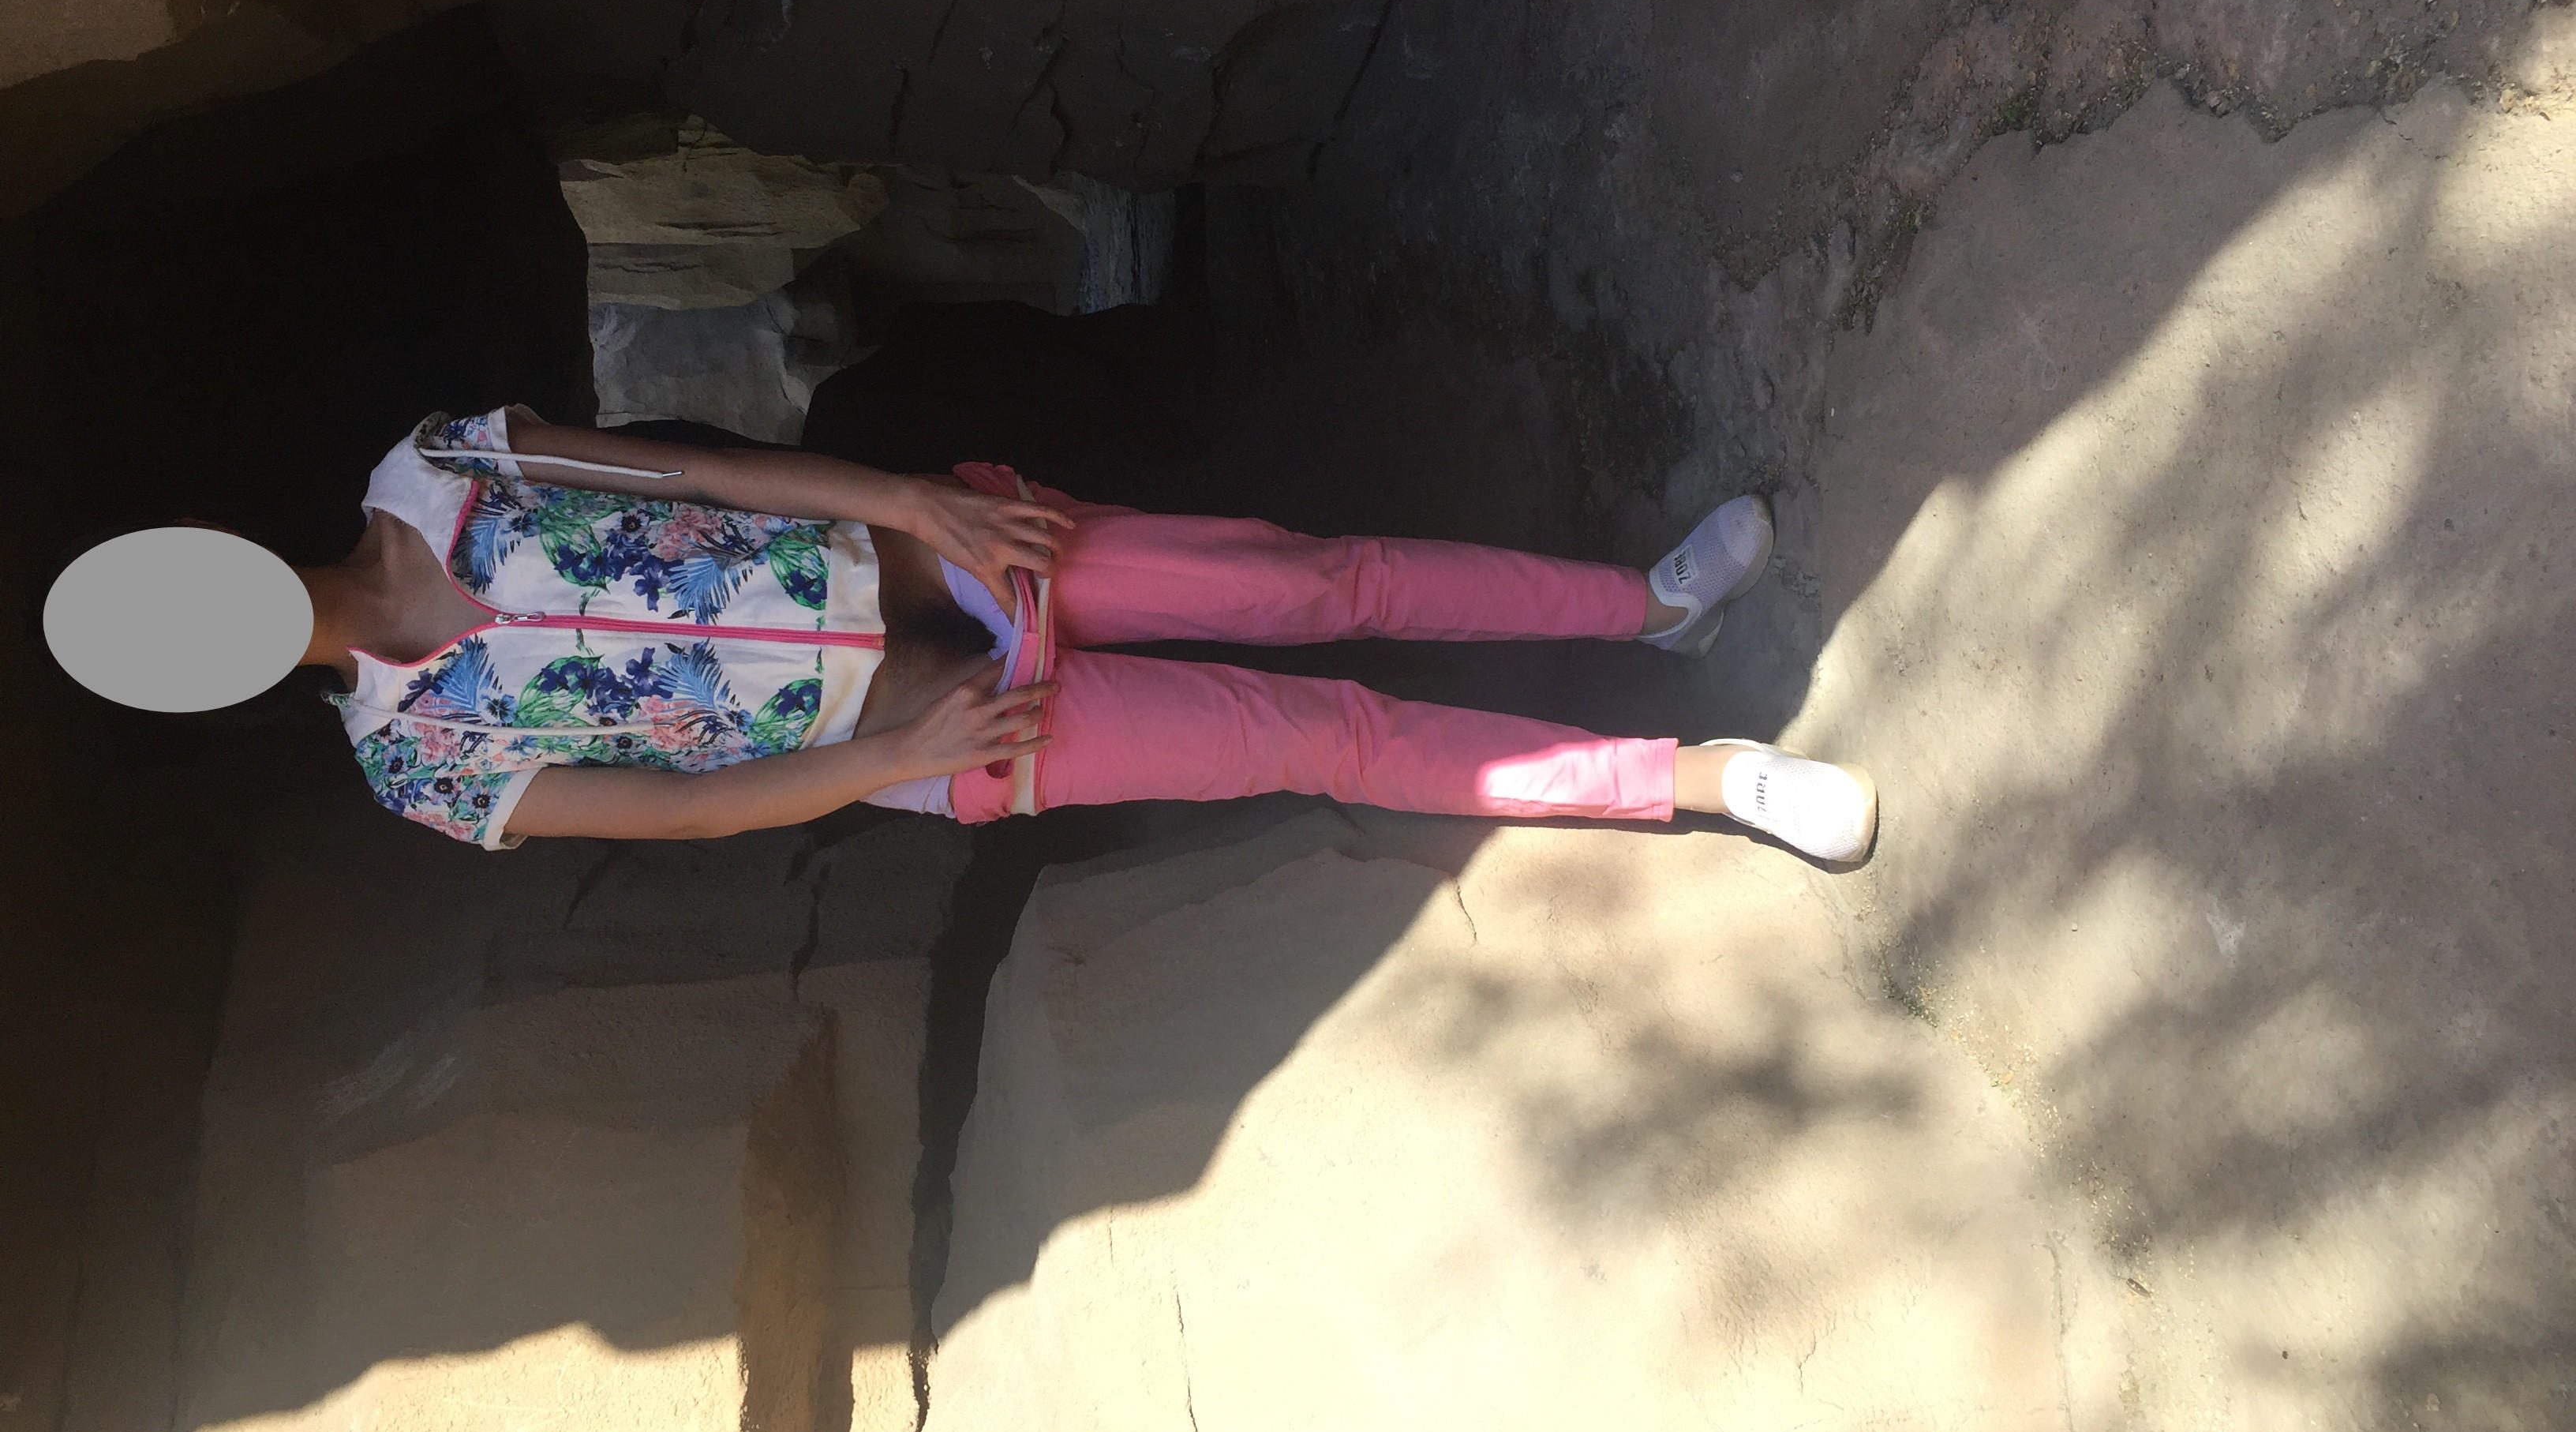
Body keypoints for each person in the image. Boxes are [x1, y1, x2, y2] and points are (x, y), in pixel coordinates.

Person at [42, 407, 1877, 861]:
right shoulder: (416, 767)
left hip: (944, 561)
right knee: (1312, 736)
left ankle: (1643, 605)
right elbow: (683, 812)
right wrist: (892, 763)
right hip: (931, 737)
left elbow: (699, 467)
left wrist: (916, 504)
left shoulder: (430, 463)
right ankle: (1697, 779)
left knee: (1312, 583)